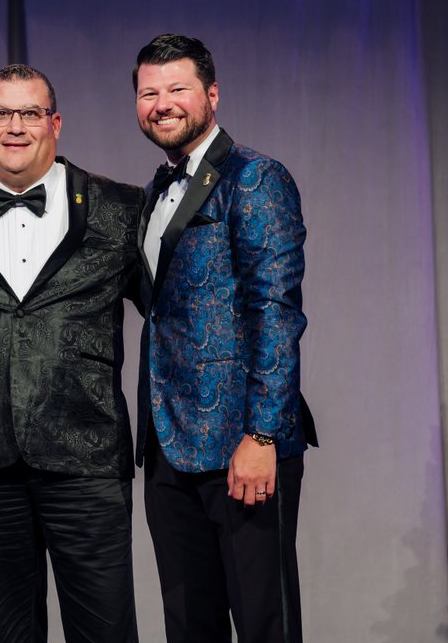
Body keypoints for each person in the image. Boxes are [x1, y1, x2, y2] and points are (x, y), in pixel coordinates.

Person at [0, 64, 142, 643]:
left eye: (30, 113)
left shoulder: (120, 206)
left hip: (87, 454)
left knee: (106, 633)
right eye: (0, 113)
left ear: (55, 123)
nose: (15, 126)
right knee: (6, 633)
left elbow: (174, 313)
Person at [132, 34, 318, 643]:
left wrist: (261, 435)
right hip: (168, 444)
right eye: (148, 93)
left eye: (177, 89)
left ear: (212, 95)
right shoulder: (155, 191)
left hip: (243, 444)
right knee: (189, 626)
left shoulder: (255, 177)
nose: (162, 104)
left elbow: (276, 311)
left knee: (265, 624)